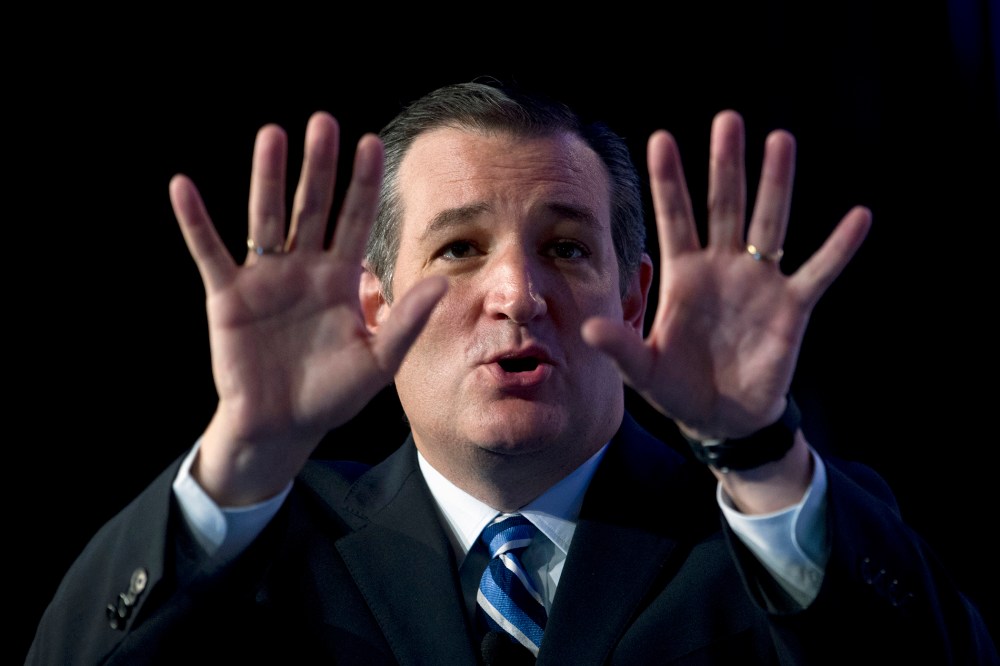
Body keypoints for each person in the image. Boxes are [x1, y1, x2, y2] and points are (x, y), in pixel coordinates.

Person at [26, 80, 998, 665]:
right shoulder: (261, 556)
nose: (517, 294)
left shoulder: (769, 529)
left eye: (568, 250)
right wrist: (240, 458)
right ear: (373, 309)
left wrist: (755, 448)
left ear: (632, 301)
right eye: (456, 250)